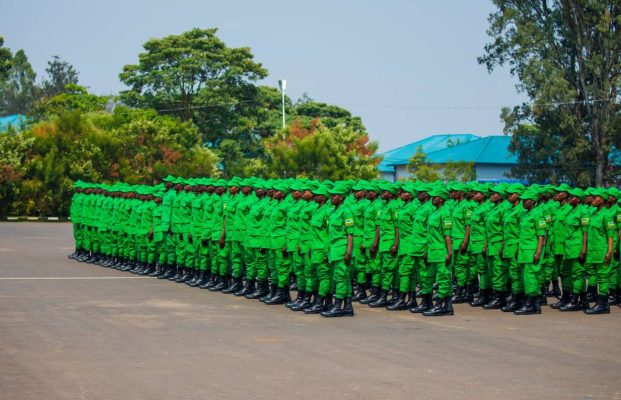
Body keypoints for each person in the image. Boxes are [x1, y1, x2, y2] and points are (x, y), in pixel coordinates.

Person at [321, 182, 355, 317]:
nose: (331, 198)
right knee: (343, 278)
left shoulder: (346, 211)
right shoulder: (333, 211)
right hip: (334, 250)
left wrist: (349, 252)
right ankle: (348, 307)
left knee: (340, 278)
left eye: (334, 195)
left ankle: (337, 306)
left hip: (342, 250)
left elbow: (350, 233)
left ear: (341, 197)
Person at [421, 185, 454, 317]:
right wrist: (426, 251)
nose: (432, 199)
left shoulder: (445, 213)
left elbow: (447, 235)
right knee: (438, 278)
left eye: (434, 197)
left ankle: (439, 306)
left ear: (441, 199)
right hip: (433, 251)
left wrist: (449, 252)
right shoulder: (435, 212)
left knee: (443, 279)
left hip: (441, 251)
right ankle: (448, 306)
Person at [514, 189, 547, 315]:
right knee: (526, 277)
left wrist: (538, 252)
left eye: (526, 200)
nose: (523, 202)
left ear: (533, 201)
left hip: (532, 250)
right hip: (524, 251)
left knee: (530, 277)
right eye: (522, 200)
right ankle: (535, 305)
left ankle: (529, 304)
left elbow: (541, 235)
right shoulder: (525, 214)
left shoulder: (538, 214)